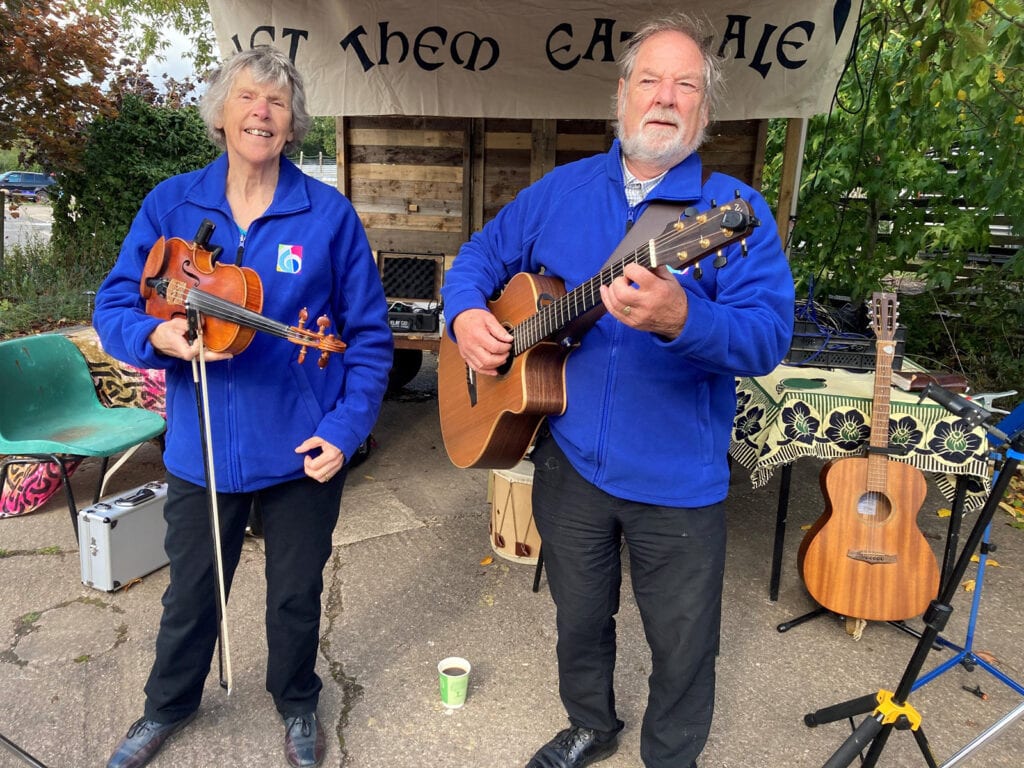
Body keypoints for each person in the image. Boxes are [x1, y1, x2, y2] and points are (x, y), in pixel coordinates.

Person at [441, 12, 794, 768]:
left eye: (686, 85)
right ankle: (590, 723)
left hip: (678, 480)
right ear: (622, 96)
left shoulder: (731, 213)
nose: (666, 97)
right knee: (579, 617)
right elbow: (479, 253)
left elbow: (767, 339)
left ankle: (670, 758)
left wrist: (683, 317)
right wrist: (467, 311)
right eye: (651, 80)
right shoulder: (560, 191)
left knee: (683, 643)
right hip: (569, 463)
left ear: (703, 110)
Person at [93, 46, 393, 768]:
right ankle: (165, 706)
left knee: (295, 596)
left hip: (298, 450)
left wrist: (346, 430)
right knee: (190, 596)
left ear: (292, 128)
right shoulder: (172, 204)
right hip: (202, 446)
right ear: (221, 115)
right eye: (247, 98)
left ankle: (296, 701)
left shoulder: (328, 216)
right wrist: (157, 333)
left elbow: (370, 340)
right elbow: (113, 308)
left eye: (278, 103)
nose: (261, 111)